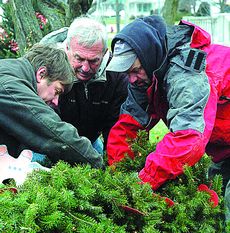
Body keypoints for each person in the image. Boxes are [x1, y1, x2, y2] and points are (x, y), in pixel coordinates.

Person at [106, 15, 230, 221]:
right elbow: (128, 128)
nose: (132, 79)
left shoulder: (187, 73)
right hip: (223, 149)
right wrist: (119, 177)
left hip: (219, 143)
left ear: (149, 56)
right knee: (214, 214)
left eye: (135, 70)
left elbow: (188, 139)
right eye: (128, 73)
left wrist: (144, 181)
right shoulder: (147, 74)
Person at [0, 43, 103, 169]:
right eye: (57, 91)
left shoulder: (9, 72)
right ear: (41, 74)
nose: (56, 102)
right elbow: (52, 130)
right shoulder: (9, 86)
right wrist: (97, 165)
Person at [40, 16, 128, 154]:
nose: (85, 68)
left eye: (93, 61)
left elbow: (115, 127)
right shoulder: (47, 68)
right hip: (48, 140)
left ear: (104, 53)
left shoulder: (117, 76)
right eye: (79, 59)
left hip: (89, 141)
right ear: (67, 47)